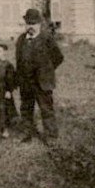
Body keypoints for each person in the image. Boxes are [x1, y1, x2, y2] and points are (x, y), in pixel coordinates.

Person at [15, 8, 64, 144]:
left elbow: (58, 57)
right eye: (28, 23)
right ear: (25, 24)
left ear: (39, 24)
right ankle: (26, 133)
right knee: (26, 109)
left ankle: (51, 136)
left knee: (46, 109)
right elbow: (18, 60)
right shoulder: (21, 40)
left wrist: (46, 70)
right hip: (26, 82)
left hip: (42, 82)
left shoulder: (47, 39)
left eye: (34, 23)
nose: (31, 26)